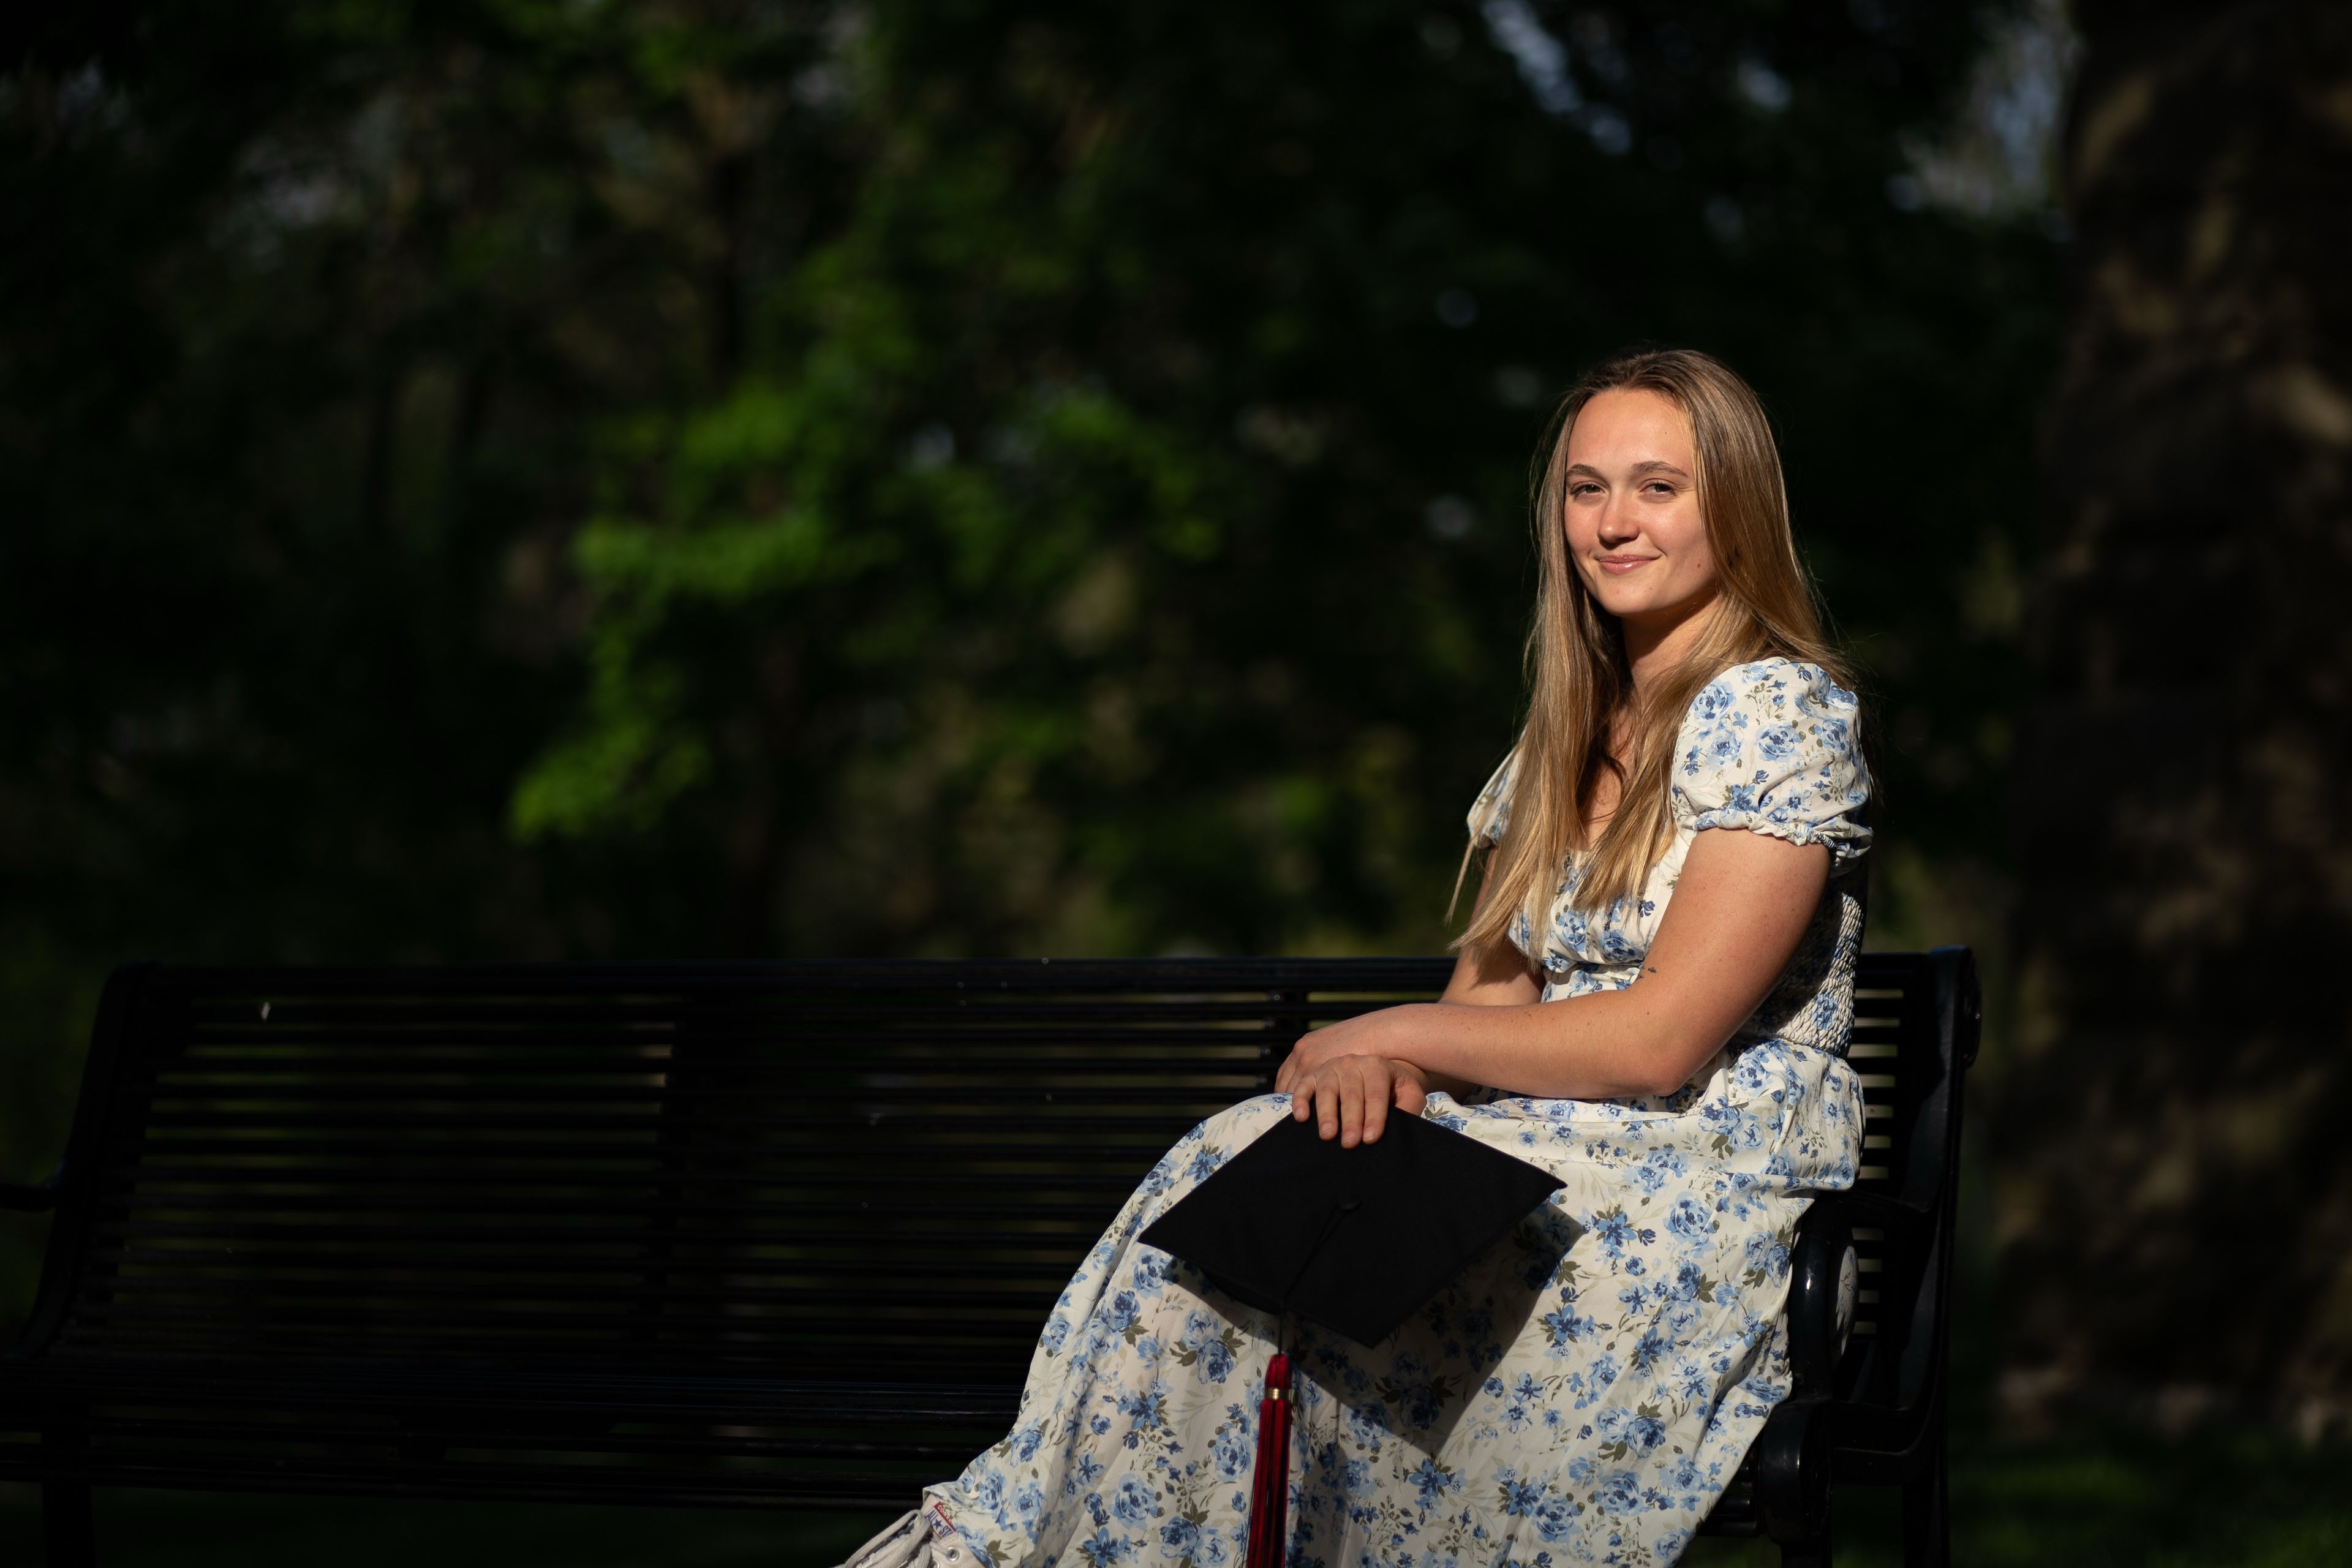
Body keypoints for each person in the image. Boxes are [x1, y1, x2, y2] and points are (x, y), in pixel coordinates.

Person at [841, 345, 1873, 1568]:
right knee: (1229, 1192)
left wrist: (1390, 1035)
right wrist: (1395, 1080)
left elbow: (1660, 1041)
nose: (1612, 520)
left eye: (1657, 485)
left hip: (1691, 1199)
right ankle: (1058, 1540)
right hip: (1539, 1158)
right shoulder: (1565, 733)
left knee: (1261, 1260)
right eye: (1586, 488)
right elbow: (1487, 1000)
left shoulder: (1777, 708)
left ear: (1736, 505)